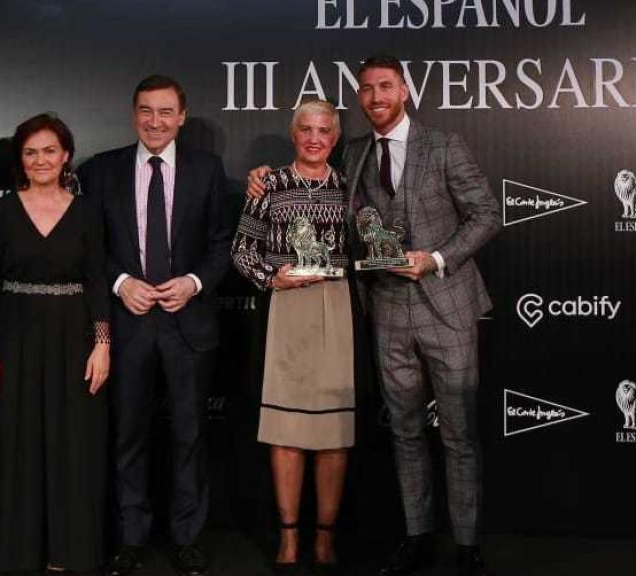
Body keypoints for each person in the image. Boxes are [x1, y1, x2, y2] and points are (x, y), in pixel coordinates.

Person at [248, 55, 501, 576]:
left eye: (385, 86)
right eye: (366, 89)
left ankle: (468, 545)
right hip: (385, 309)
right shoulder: (357, 153)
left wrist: (434, 259)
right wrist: (260, 180)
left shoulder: (445, 145)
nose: (376, 97)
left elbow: (486, 214)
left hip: (447, 307)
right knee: (406, 432)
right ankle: (416, 538)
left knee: (457, 434)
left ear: (404, 90)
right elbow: (315, 196)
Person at [78, 75, 233, 576]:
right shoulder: (101, 172)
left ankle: (187, 538)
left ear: (182, 117)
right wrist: (122, 282)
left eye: (166, 112)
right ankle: (131, 538)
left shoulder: (208, 171)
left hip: (188, 323)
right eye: (146, 110)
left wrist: (192, 282)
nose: (155, 121)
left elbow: (220, 243)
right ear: (133, 113)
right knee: (128, 436)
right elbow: (88, 249)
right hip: (129, 322)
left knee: (189, 436)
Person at [0, 113, 111, 573]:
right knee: (18, 441)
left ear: (66, 155)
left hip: (74, 338)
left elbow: (97, 283)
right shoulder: (0, 212)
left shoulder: (88, 212)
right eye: (31, 152)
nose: (41, 160)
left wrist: (103, 343)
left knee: (71, 441)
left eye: (49, 151)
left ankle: (66, 551)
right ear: (20, 159)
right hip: (14, 337)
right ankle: (18, 551)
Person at [231, 100, 355, 574]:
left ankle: (324, 539)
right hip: (286, 308)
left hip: (340, 307)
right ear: (293, 134)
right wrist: (271, 277)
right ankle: (287, 538)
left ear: (336, 137)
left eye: (324, 130)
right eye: (305, 129)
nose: (314, 138)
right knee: (286, 432)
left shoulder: (351, 187)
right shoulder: (270, 184)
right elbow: (241, 251)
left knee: (334, 433)